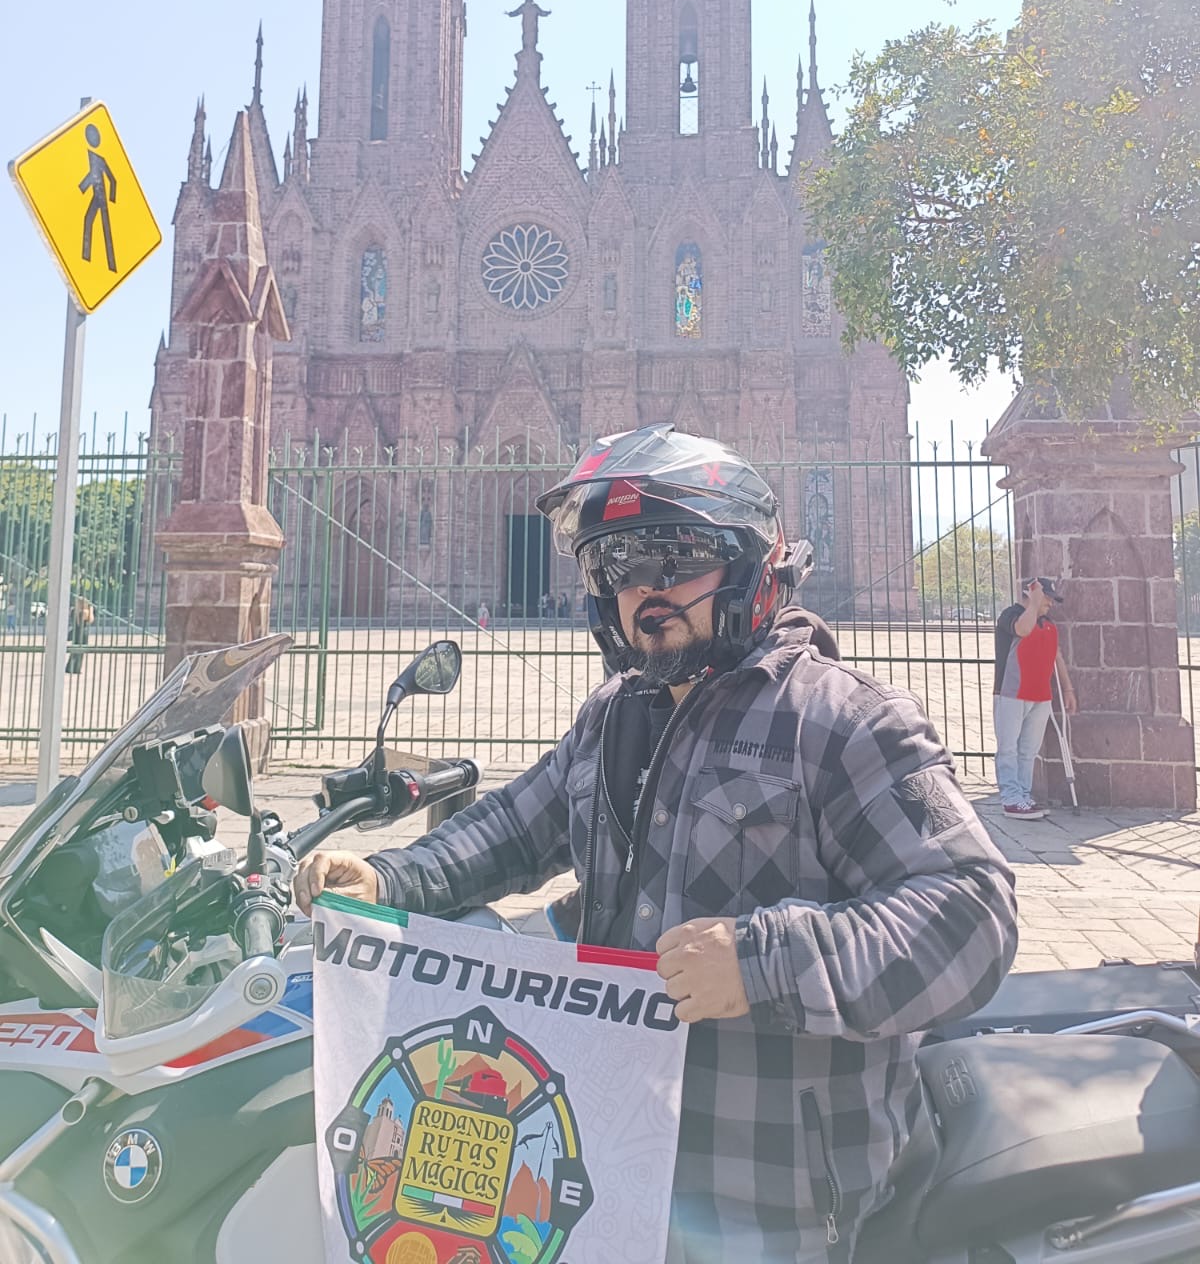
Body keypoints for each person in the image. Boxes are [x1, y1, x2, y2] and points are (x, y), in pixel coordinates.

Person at [297, 424, 1017, 1262]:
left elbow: (973, 916)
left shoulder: (843, 720)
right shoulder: (617, 716)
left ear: (749, 563)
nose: (647, 591)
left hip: (777, 1197)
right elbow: (514, 828)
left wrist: (761, 962)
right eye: (618, 568)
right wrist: (389, 879)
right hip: (618, 1174)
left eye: (676, 560)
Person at [992, 575, 1076, 819]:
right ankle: (1010, 797)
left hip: (1041, 696)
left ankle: (1023, 794)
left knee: (1028, 750)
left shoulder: (1048, 623)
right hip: (1011, 694)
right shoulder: (1011, 616)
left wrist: (1068, 689)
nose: (1050, 602)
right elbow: (1023, 629)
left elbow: (1056, 657)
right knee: (1008, 748)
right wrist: (1034, 601)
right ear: (1032, 594)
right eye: (1046, 597)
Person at [65, 594, 94, 675]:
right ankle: (76, 668)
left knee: (74, 650)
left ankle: (70, 667)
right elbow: (90, 620)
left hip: (76, 631)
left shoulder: (73, 610)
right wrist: (90, 609)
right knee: (81, 651)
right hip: (82, 631)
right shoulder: (85, 611)